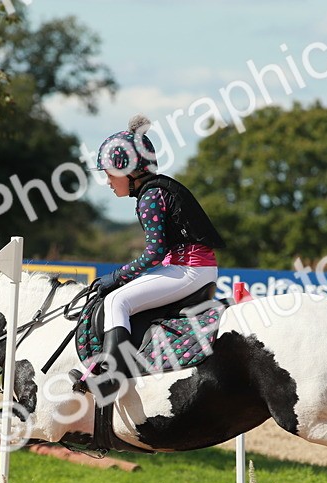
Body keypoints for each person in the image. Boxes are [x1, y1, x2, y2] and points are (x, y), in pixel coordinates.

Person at [75, 113, 227, 396]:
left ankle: (112, 377)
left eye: (110, 173)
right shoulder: (156, 189)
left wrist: (117, 276)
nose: (107, 181)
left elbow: (153, 254)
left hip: (189, 269)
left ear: (130, 171)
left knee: (116, 300)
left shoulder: (150, 196)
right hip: (188, 266)